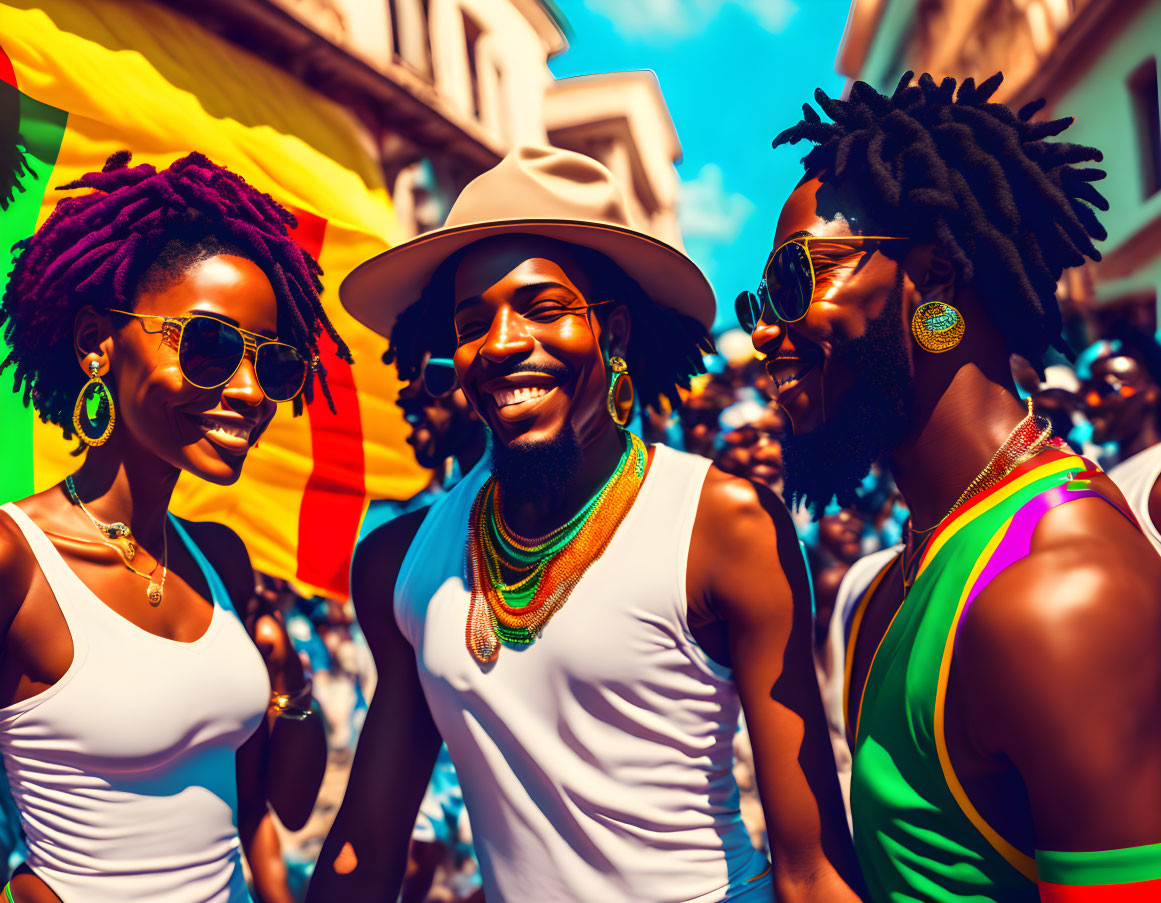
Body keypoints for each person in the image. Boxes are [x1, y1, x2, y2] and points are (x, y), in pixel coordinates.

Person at [309, 145, 862, 903]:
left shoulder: (718, 526)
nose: (501, 343)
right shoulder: (401, 563)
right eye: (474, 322)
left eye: (542, 307)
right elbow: (367, 846)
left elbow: (812, 868)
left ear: (615, 332)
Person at [741, 72, 1161, 900]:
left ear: (931, 280)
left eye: (794, 283)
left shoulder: (1056, 594)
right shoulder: (906, 569)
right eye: (758, 297)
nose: (761, 329)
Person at [0, 151, 333, 901]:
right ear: (98, 339)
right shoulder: (16, 562)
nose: (250, 393)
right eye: (210, 346)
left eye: (274, 365)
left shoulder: (219, 559)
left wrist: (287, 681)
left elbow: (276, 807)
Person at [1083, 333, 1161, 554]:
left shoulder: (1157, 480)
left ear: (1151, 393)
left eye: (1106, 389)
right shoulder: (1096, 468)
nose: (1089, 401)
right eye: (1085, 388)